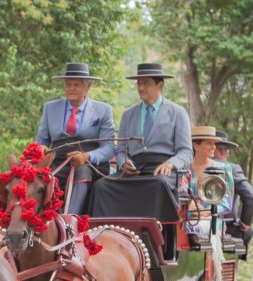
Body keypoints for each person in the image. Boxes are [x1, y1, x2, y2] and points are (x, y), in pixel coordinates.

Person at [35, 62, 116, 214]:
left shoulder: (103, 110)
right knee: (36, 177)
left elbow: (109, 147)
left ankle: (70, 219)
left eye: (76, 85)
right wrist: (40, 147)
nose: (71, 88)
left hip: (89, 164)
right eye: (68, 84)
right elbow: (41, 140)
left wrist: (87, 156)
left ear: (87, 86)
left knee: (81, 171)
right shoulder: (50, 108)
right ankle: (41, 218)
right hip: (57, 161)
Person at [116, 63, 192, 177]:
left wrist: (170, 164)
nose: (141, 88)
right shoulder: (127, 115)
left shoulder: (178, 113)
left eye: (146, 83)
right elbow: (120, 150)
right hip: (135, 170)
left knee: (159, 183)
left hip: (164, 170)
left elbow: (186, 152)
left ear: (160, 85)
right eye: (139, 83)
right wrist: (123, 162)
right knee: (101, 185)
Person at [184, 126, 235, 239]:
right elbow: (180, 195)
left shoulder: (223, 169)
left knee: (201, 227)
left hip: (213, 219)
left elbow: (227, 203)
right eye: (209, 143)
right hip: (188, 218)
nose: (214, 147)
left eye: (214, 143)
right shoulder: (184, 169)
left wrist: (208, 211)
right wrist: (190, 207)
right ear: (196, 146)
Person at [214, 129, 253, 245]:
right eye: (227, 150)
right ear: (218, 150)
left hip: (193, 225)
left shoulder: (190, 166)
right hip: (225, 227)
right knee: (248, 232)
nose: (228, 154)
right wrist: (245, 223)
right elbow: (251, 196)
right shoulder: (231, 168)